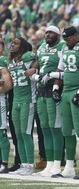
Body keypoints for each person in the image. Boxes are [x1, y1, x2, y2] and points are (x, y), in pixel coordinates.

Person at [51, 26, 79, 179]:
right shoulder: (65, 47)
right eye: (64, 39)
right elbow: (60, 71)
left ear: (76, 35)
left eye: (68, 38)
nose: (66, 41)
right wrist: (56, 87)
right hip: (66, 91)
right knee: (67, 131)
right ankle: (69, 167)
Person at [33, 25, 65, 176]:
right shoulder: (41, 47)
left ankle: (57, 164)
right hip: (41, 91)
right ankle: (49, 163)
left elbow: (66, 68)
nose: (47, 34)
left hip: (55, 90)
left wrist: (52, 76)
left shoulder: (63, 47)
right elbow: (36, 65)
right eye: (46, 32)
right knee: (45, 128)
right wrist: (34, 74)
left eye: (51, 32)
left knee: (55, 128)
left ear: (58, 34)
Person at [7, 37, 37, 175]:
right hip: (16, 101)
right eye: (12, 43)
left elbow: (39, 62)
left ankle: (30, 165)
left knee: (26, 133)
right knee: (18, 134)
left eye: (16, 43)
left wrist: (34, 68)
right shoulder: (11, 62)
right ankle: (23, 164)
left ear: (23, 46)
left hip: (28, 101)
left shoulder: (28, 57)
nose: (12, 45)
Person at [0, 40, 13, 173]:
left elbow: (8, 84)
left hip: (1, 100)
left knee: (1, 132)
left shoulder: (2, 60)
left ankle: (4, 162)